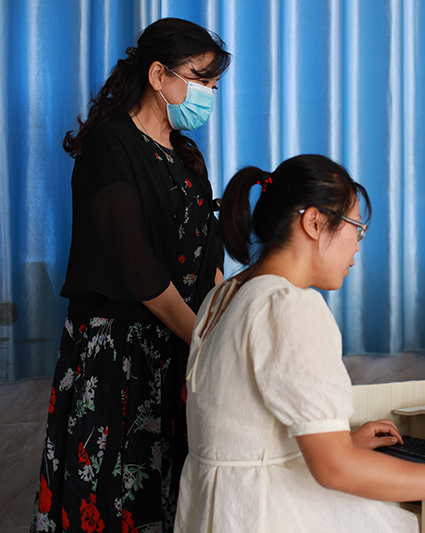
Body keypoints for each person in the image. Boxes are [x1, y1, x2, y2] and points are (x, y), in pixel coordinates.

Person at [174, 155, 425, 532]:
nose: (356, 245)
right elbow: (335, 470)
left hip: (223, 512)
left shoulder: (223, 297)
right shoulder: (288, 305)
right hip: (265, 513)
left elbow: (240, 435)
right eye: (356, 227)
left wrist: (339, 443)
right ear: (313, 222)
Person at [31, 18, 230, 533]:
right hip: (119, 355)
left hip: (178, 349)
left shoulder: (187, 156)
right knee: (111, 494)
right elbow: (138, 269)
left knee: (171, 498)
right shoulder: (110, 145)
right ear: (158, 75)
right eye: (200, 80)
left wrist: (218, 332)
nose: (208, 95)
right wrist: (206, 340)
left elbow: (208, 257)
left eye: (214, 85)